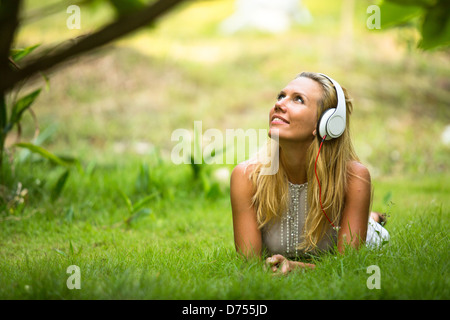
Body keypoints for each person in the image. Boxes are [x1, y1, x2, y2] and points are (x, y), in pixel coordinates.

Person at [230, 71, 389, 274]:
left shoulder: (353, 177)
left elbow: (349, 265)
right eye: (281, 96)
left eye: (298, 99)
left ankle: (372, 220)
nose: (279, 104)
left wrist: (298, 267)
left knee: (369, 228)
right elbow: (248, 264)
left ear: (327, 124)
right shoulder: (246, 176)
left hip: (370, 237)